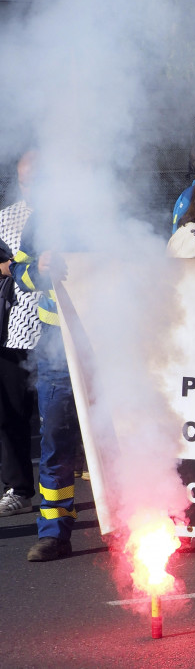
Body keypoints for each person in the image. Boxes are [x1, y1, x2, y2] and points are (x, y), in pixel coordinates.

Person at [2, 151, 85, 561]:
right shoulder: (42, 219)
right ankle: (54, 532)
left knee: (119, 435)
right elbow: (20, 273)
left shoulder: (100, 210)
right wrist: (40, 267)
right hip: (55, 347)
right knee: (55, 439)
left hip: (108, 343)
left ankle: (132, 522)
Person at [0, 151, 40, 518]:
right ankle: (19, 488)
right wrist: (9, 268)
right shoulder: (7, 218)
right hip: (19, 328)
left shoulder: (70, 213)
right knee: (13, 412)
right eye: (27, 178)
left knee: (69, 414)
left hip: (65, 330)